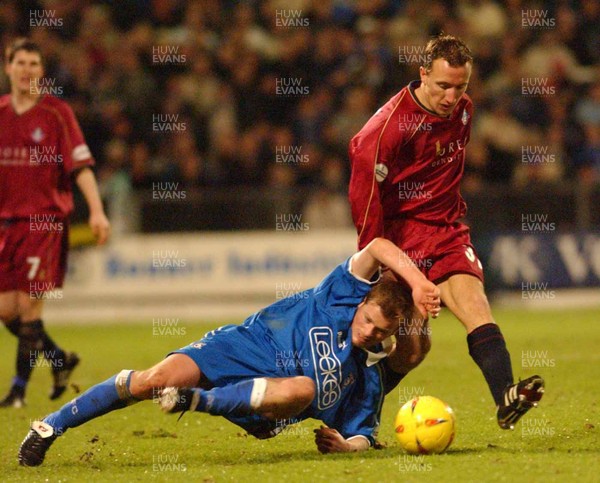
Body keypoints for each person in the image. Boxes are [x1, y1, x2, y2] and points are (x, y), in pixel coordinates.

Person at [18, 237, 441, 466]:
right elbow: (379, 247)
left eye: (379, 331)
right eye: (366, 319)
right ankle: (50, 427)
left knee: (303, 389)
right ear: (361, 302)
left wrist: (347, 449)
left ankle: (195, 402)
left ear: (391, 336)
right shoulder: (337, 296)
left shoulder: (365, 377)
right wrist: (418, 281)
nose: (367, 331)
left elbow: (362, 437)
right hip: (238, 346)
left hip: (272, 403)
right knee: (153, 381)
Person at [348, 34, 544, 430]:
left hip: (447, 231)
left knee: (476, 306)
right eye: (442, 86)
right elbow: (366, 206)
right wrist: (374, 265)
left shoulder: (464, 111)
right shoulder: (382, 133)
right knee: (412, 349)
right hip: (401, 240)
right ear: (422, 74)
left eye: (460, 87)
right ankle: (349, 404)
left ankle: (506, 398)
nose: (452, 96)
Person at [0, 39, 110, 407]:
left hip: (42, 223)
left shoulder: (56, 113)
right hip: (6, 225)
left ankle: (17, 391)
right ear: (8, 68)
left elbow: (81, 167)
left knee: (30, 310)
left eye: (34, 63)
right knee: (7, 312)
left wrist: (96, 210)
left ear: (41, 71)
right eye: (20, 62)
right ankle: (59, 359)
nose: (27, 69)